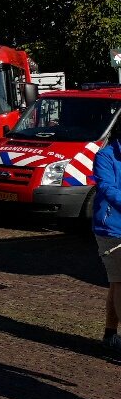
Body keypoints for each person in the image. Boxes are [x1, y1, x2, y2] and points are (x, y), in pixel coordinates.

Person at [92, 126, 121, 354]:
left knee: (116, 282)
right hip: (111, 229)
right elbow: (107, 188)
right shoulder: (106, 155)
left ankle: (110, 334)